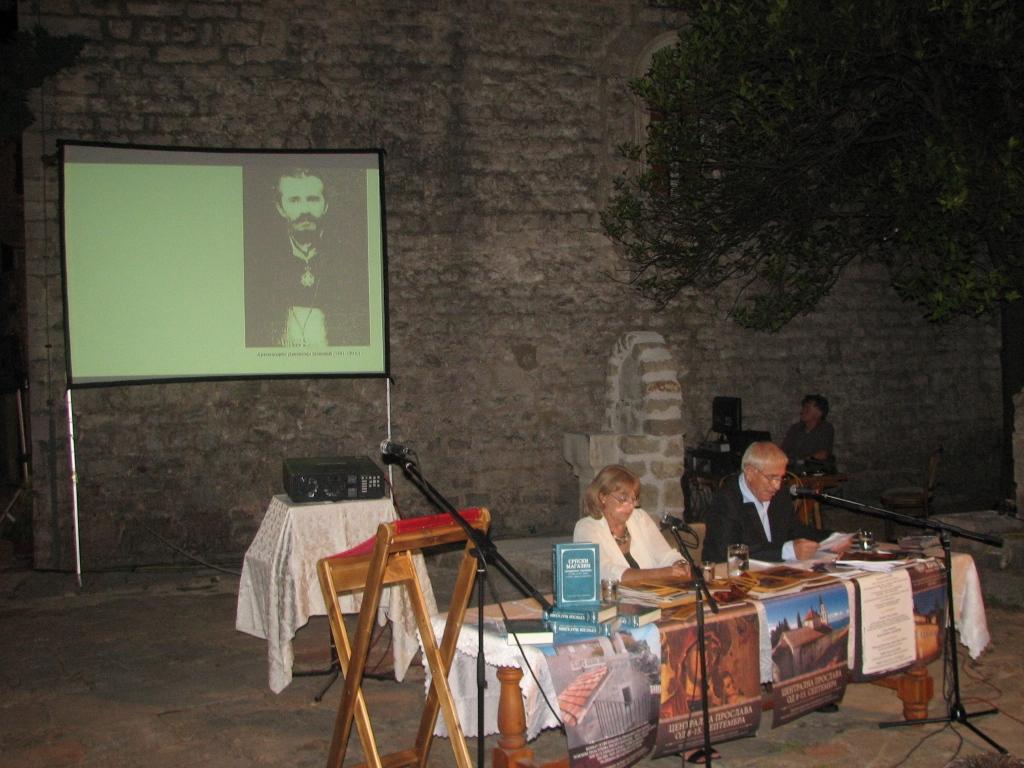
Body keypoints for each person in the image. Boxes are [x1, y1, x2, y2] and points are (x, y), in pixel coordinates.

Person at [244, 167, 370, 347]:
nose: (305, 210)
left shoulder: (352, 260)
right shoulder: (260, 264)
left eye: (312, 199)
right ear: (280, 208)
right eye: (294, 200)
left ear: (325, 205)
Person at [703, 441, 834, 563]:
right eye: (772, 477)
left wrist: (833, 539)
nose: (777, 486)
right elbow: (730, 552)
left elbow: (796, 531)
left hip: (773, 571)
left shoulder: (780, 494)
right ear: (750, 473)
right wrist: (787, 551)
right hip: (726, 575)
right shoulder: (725, 500)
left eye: (781, 478)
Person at [573, 464, 691, 585]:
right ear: (603, 496)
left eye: (633, 499)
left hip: (652, 594)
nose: (631, 505)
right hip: (614, 596)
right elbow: (604, 571)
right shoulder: (586, 528)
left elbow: (666, 555)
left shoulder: (639, 517)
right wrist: (661, 573)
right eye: (623, 499)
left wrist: (680, 564)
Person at [780, 394, 834, 470]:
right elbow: (783, 452)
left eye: (807, 408)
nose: (802, 411)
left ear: (819, 413)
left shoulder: (825, 428)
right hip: (792, 469)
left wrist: (801, 461)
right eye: (803, 408)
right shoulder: (795, 428)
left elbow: (822, 454)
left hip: (813, 471)